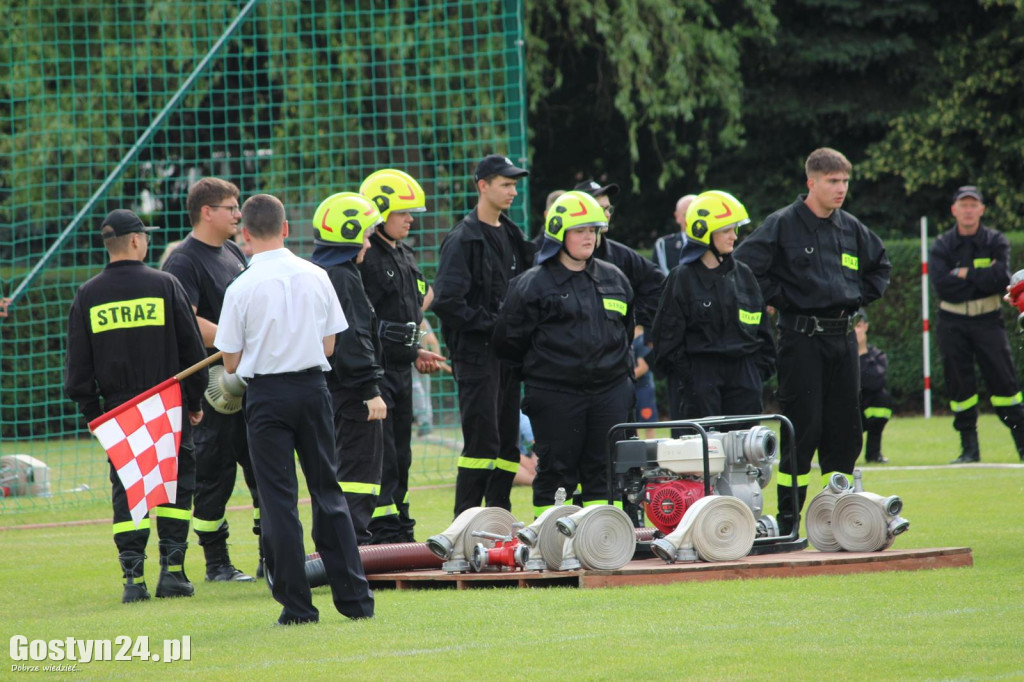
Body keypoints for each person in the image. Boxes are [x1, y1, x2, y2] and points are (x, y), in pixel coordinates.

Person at [215, 193, 374, 626]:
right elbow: (329, 345)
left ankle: (298, 607)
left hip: (266, 396)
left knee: (278, 502)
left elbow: (229, 362)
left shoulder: (240, 286)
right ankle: (356, 600)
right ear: (286, 228)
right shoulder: (317, 275)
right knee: (328, 491)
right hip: (313, 388)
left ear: (244, 235)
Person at [733, 148, 891, 537]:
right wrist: (780, 298)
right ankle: (789, 523)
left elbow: (880, 266)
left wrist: (856, 297)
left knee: (845, 430)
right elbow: (744, 265)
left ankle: (835, 518)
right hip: (801, 339)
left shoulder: (850, 227)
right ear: (811, 182)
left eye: (845, 182)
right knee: (802, 430)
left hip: (842, 340)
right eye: (833, 182)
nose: (841, 189)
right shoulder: (782, 225)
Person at [64, 209, 207, 603]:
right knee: (176, 485)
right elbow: (192, 352)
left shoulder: (87, 295)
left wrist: (97, 418)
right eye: (144, 235)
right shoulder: (165, 284)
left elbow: (77, 372)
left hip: (118, 413)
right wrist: (194, 402)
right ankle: (174, 574)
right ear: (133, 241)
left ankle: (133, 580)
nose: (147, 241)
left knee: (129, 490)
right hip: (167, 409)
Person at [493, 190, 635, 517]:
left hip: (609, 393)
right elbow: (507, 342)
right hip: (555, 395)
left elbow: (625, 332)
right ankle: (552, 545)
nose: (589, 237)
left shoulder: (615, 278)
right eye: (580, 230)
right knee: (556, 473)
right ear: (559, 233)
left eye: (593, 230)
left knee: (604, 472)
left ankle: (597, 544)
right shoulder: (532, 285)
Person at [161, 177, 260, 582]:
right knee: (214, 475)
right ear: (207, 212)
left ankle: (271, 553)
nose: (239, 213)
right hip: (213, 392)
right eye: (231, 207)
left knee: (262, 469)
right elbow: (185, 319)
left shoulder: (234, 251)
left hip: (249, 383)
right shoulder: (184, 260)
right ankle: (216, 563)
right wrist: (234, 340)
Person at [432, 154, 535, 517]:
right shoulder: (463, 239)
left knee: (508, 446)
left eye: (514, 185)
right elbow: (447, 302)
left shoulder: (512, 233)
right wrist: (495, 325)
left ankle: (499, 517)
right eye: (505, 184)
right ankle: (464, 524)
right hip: (476, 357)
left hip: (508, 356)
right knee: (482, 443)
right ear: (483, 186)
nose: (513, 191)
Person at [359, 169, 445, 542]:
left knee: (403, 454)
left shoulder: (403, 253)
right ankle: (381, 532)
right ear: (379, 212)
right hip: (374, 373)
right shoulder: (363, 258)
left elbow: (420, 297)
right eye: (403, 211)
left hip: (401, 369)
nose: (411, 218)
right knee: (384, 458)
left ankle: (401, 525)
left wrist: (416, 349)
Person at [651, 190, 775, 424]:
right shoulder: (681, 279)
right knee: (706, 453)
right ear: (702, 231)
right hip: (701, 378)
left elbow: (763, 332)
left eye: (735, 229)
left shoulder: (744, 275)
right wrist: (691, 378)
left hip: (744, 376)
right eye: (726, 230)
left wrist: (754, 375)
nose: (734, 237)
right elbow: (667, 340)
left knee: (745, 454)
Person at [310, 192, 387, 545]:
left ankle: (338, 547)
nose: (369, 244)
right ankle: (354, 548)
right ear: (351, 235)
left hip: (328, 390)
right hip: (352, 394)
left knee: (336, 470)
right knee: (359, 472)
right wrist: (370, 389)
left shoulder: (321, 273)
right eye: (366, 235)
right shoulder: (343, 276)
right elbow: (352, 339)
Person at [929, 185, 1024, 463]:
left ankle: (1022, 445)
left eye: (973, 205)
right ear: (954, 210)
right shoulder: (942, 245)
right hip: (952, 321)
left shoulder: (996, 241)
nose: (968, 210)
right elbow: (943, 287)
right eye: (963, 205)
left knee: (1005, 385)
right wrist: (980, 277)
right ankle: (969, 450)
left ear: (981, 209)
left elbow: (1000, 279)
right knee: (960, 388)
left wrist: (963, 273)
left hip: (988, 320)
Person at [574, 178, 664, 329]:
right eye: (600, 209)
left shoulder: (622, 255)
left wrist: (641, 325)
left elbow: (658, 285)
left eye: (608, 208)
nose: (607, 214)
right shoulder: (554, 257)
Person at [855, 309, 892, 463]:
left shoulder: (876, 355)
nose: (854, 331)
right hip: (842, 410)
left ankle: (874, 453)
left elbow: (875, 382)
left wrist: (862, 354)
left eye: (857, 326)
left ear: (865, 327)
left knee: (882, 398)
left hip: (863, 411)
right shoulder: (837, 354)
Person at [652, 194, 697, 275]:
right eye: (686, 215)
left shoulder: (715, 242)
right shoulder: (664, 246)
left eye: (696, 214)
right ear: (677, 217)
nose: (692, 219)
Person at [632, 326, 659, 439]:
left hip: (644, 388)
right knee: (632, 424)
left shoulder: (642, 339)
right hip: (633, 387)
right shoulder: (631, 339)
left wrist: (624, 378)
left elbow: (643, 367)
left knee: (649, 424)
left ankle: (650, 452)